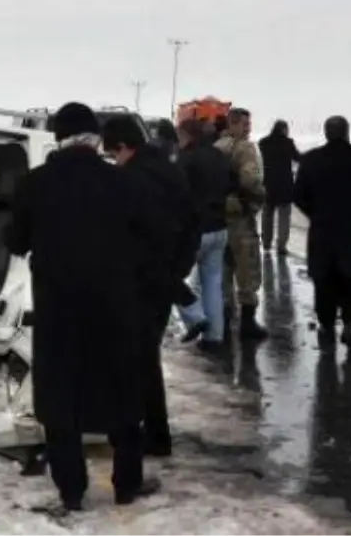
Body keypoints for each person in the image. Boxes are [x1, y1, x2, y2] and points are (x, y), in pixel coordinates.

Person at [7, 102, 165, 513]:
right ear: (96, 140)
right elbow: (153, 239)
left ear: (59, 137)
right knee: (123, 394)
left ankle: (71, 491)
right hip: (116, 308)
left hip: (59, 310)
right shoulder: (125, 183)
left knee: (60, 401)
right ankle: (126, 484)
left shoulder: (35, 184)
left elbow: (14, 241)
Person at [102, 116, 199, 457]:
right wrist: (178, 272)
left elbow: (134, 235)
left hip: (143, 280)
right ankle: (151, 430)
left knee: (139, 358)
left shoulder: (132, 179)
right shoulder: (170, 170)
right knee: (146, 355)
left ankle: (154, 435)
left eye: (114, 154)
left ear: (124, 147)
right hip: (165, 277)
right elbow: (191, 223)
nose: (114, 161)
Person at [293, 116, 351, 351]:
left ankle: (327, 324)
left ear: (326, 133)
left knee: (324, 280)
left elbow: (299, 195)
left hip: (323, 230)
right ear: (347, 132)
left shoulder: (311, 160)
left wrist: (316, 213)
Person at [174, 118, 235, 348]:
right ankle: (215, 336)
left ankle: (195, 317)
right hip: (220, 227)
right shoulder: (219, 155)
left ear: (187, 135)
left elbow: (177, 192)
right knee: (213, 282)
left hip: (195, 230)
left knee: (171, 275)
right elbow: (233, 183)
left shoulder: (186, 159)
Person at [215, 107, 269, 340]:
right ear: (234, 124)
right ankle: (247, 322)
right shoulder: (244, 147)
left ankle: (224, 319)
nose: (248, 128)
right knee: (247, 271)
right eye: (245, 124)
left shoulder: (216, 147)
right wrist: (259, 195)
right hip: (240, 218)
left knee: (222, 271)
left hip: (218, 218)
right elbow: (251, 179)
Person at [258, 119, 302, 256]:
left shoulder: (263, 143)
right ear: (283, 129)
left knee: (267, 215)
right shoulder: (288, 143)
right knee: (284, 218)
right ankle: (281, 245)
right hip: (285, 185)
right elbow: (298, 158)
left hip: (268, 184)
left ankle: (266, 242)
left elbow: (258, 160)